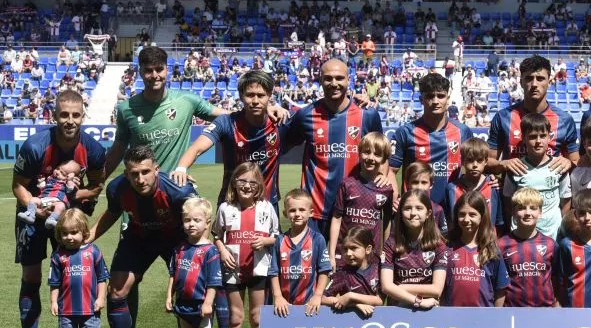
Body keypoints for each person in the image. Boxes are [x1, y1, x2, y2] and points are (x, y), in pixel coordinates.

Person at [12, 90, 106, 328]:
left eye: (75, 115)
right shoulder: (35, 146)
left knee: (69, 279)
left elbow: (97, 184)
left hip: (66, 224)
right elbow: (17, 184)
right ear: (54, 116)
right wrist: (35, 205)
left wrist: (72, 199)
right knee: (31, 278)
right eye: (64, 114)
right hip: (32, 217)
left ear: (82, 117)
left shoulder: (94, 150)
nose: (70, 120)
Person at [89, 145, 198, 328]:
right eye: (134, 174)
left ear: (156, 169)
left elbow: (199, 219)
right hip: (138, 238)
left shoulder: (179, 190)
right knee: (117, 290)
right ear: (126, 174)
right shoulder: (117, 188)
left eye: (145, 172)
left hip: (176, 239)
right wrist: (87, 238)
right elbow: (112, 213)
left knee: (188, 289)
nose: (140, 179)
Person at [105, 46, 284, 177]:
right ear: (140, 72)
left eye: (159, 69)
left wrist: (263, 107)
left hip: (175, 184)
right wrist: (99, 181)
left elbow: (228, 115)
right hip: (139, 185)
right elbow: (118, 149)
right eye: (148, 71)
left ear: (167, 69)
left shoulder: (187, 100)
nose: (155, 75)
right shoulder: (125, 109)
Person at [287, 58, 385, 238]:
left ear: (349, 79)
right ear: (320, 80)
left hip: (355, 211)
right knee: (315, 266)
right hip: (315, 212)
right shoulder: (305, 116)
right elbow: (280, 144)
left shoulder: (367, 115)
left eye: (339, 78)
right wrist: (271, 108)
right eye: (328, 78)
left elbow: (383, 156)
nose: (334, 83)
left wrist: (382, 179)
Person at [172, 70, 293, 208]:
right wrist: (181, 169)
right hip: (231, 205)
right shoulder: (226, 122)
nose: (255, 101)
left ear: (270, 96)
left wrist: (280, 109)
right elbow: (196, 148)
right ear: (241, 96)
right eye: (250, 95)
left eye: (260, 95)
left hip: (267, 206)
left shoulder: (281, 121)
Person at [212, 163, 279, 328]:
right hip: (233, 270)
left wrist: (266, 241)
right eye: (242, 181)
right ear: (234, 183)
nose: (247, 186)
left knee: (257, 318)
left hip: (259, 269)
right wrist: (222, 250)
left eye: (252, 182)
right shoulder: (225, 208)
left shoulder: (266, 207)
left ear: (259, 185)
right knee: (236, 318)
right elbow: (217, 235)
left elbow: (276, 236)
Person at [488, 55, 579, 177]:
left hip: (552, 193)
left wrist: (569, 163)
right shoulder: (503, 117)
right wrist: (503, 164)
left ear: (549, 82)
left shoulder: (564, 120)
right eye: (529, 78)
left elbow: (576, 162)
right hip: (512, 194)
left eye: (540, 78)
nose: (534, 84)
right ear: (521, 82)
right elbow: (486, 161)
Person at [390, 73, 473, 205]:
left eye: (440, 96)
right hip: (416, 210)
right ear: (421, 99)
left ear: (448, 99)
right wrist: (396, 198)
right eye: (429, 96)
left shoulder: (463, 131)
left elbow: (474, 167)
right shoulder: (405, 133)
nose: (435, 101)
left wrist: (490, 179)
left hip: (453, 209)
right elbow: (390, 170)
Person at [165, 198, 221, 328]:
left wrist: (208, 303)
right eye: (187, 220)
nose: (191, 224)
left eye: (196, 220)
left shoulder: (210, 251)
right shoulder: (180, 248)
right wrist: (168, 296)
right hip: (183, 302)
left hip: (201, 304)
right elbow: (173, 274)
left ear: (207, 222)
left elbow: (214, 282)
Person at [48, 209, 109, 328]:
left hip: (90, 307)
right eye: (65, 233)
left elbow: (102, 278)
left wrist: (101, 297)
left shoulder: (93, 252)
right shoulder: (58, 256)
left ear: (84, 231)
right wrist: (53, 301)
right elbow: (54, 282)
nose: (69, 237)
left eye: (74, 232)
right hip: (66, 307)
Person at [502, 113, 572, 239]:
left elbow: (566, 201)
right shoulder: (515, 168)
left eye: (543, 136)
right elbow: (508, 203)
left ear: (549, 137)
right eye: (533, 137)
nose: (538, 141)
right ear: (523, 138)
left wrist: (560, 226)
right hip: (522, 236)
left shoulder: (559, 167)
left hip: (552, 235)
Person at [329, 132, 393, 268]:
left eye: (377, 154)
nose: (370, 158)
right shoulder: (347, 184)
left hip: (371, 255)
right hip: (345, 253)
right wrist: (331, 254)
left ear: (384, 159)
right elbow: (336, 219)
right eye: (367, 152)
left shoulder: (386, 189)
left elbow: (387, 222)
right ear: (359, 153)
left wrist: (385, 250)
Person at [379, 189, 448, 309]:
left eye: (419, 208)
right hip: (398, 310)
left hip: (429, 310)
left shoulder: (438, 245)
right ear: (400, 212)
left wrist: (400, 288)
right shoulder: (391, 244)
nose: (413, 213)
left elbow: (437, 290)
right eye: (407, 208)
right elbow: (386, 287)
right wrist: (418, 301)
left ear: (428, 213)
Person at [270, 189, 331, 317]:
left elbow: (324, 270)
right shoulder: (280, 241)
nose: (297, 214)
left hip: (309, 304)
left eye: (302, 210)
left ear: (311, 212)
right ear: (285, 213)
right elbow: (273, 272)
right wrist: (278, 296)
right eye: (292, 210)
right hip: (284, 305)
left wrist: (318, 295)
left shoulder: (318, 239)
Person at [443, 192, 509, 307]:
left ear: (482, 216)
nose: (466, 219)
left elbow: (500, 289)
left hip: (483, 318)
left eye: (472, 215)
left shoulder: (491, 249)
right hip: (451, 317)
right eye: (462, 214)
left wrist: (496, 315)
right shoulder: (447, 246)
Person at [498, 188, 559, 307]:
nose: (527, 213)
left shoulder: (550, 244)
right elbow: (499, 285)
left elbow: (557, 281)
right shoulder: (501, 244)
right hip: (513, 313)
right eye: (521, 208)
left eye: (533, 208)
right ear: (513, 212)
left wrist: (557, 308)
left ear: (540, 212)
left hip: (545, 311)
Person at [318, 227, 382, 318]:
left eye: (353, 248)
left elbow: (380, 301)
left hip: (379, 321)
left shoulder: (378, 270)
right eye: (345, 249)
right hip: (350, 323)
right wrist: (354, 304)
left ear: (368, 249)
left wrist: (351, 296)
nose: (348, 253)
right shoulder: (342, 274)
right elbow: (322, 299)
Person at [442, 138, 503, 234]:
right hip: (459, 244)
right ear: (462, 161)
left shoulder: (493, 186)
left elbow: (499, 223)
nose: (475, 165)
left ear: (486, 161)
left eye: (479, 160)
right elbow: (449, 222)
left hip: (487, 244)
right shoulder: (451, 189)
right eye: (470, 160)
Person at [17, 159, 83, 230]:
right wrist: (41, 182)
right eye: (57, 169)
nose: (57, 172)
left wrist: (70, 179)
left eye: (62, 173)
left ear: (69, 176)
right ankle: (30, 214)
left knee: (61, 206)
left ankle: (52, 219)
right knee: (33, 199)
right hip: (45, 199)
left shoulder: (67, 183)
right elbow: (43, 187)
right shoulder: (50, 178)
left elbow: (69, 190)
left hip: (57, 201)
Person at [404, 162, 450, 236]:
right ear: (407, 183)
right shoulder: (400, 208)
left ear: (431, 184)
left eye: (424, 182)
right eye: (415, 182)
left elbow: (444, 236)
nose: (419, 187)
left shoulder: (438, 209)